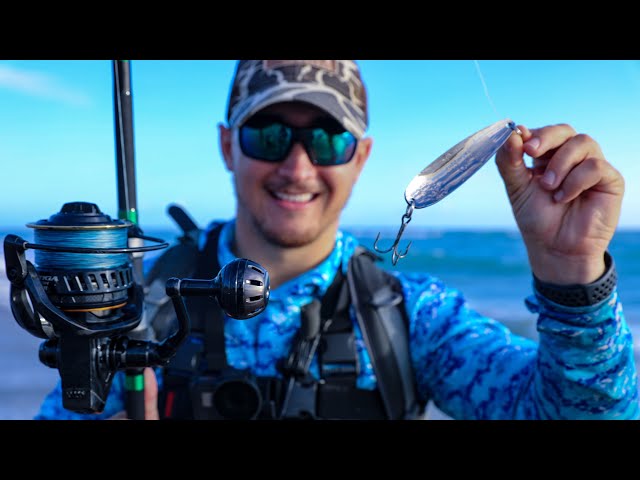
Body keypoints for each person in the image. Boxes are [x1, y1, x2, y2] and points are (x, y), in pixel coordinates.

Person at [36, 60, 638, 420]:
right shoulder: (134, 308)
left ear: (362, 157)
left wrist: (573, 280)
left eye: (328, 140)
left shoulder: (411, 316)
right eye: (269, 135)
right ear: (227, 145)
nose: (298, 167)